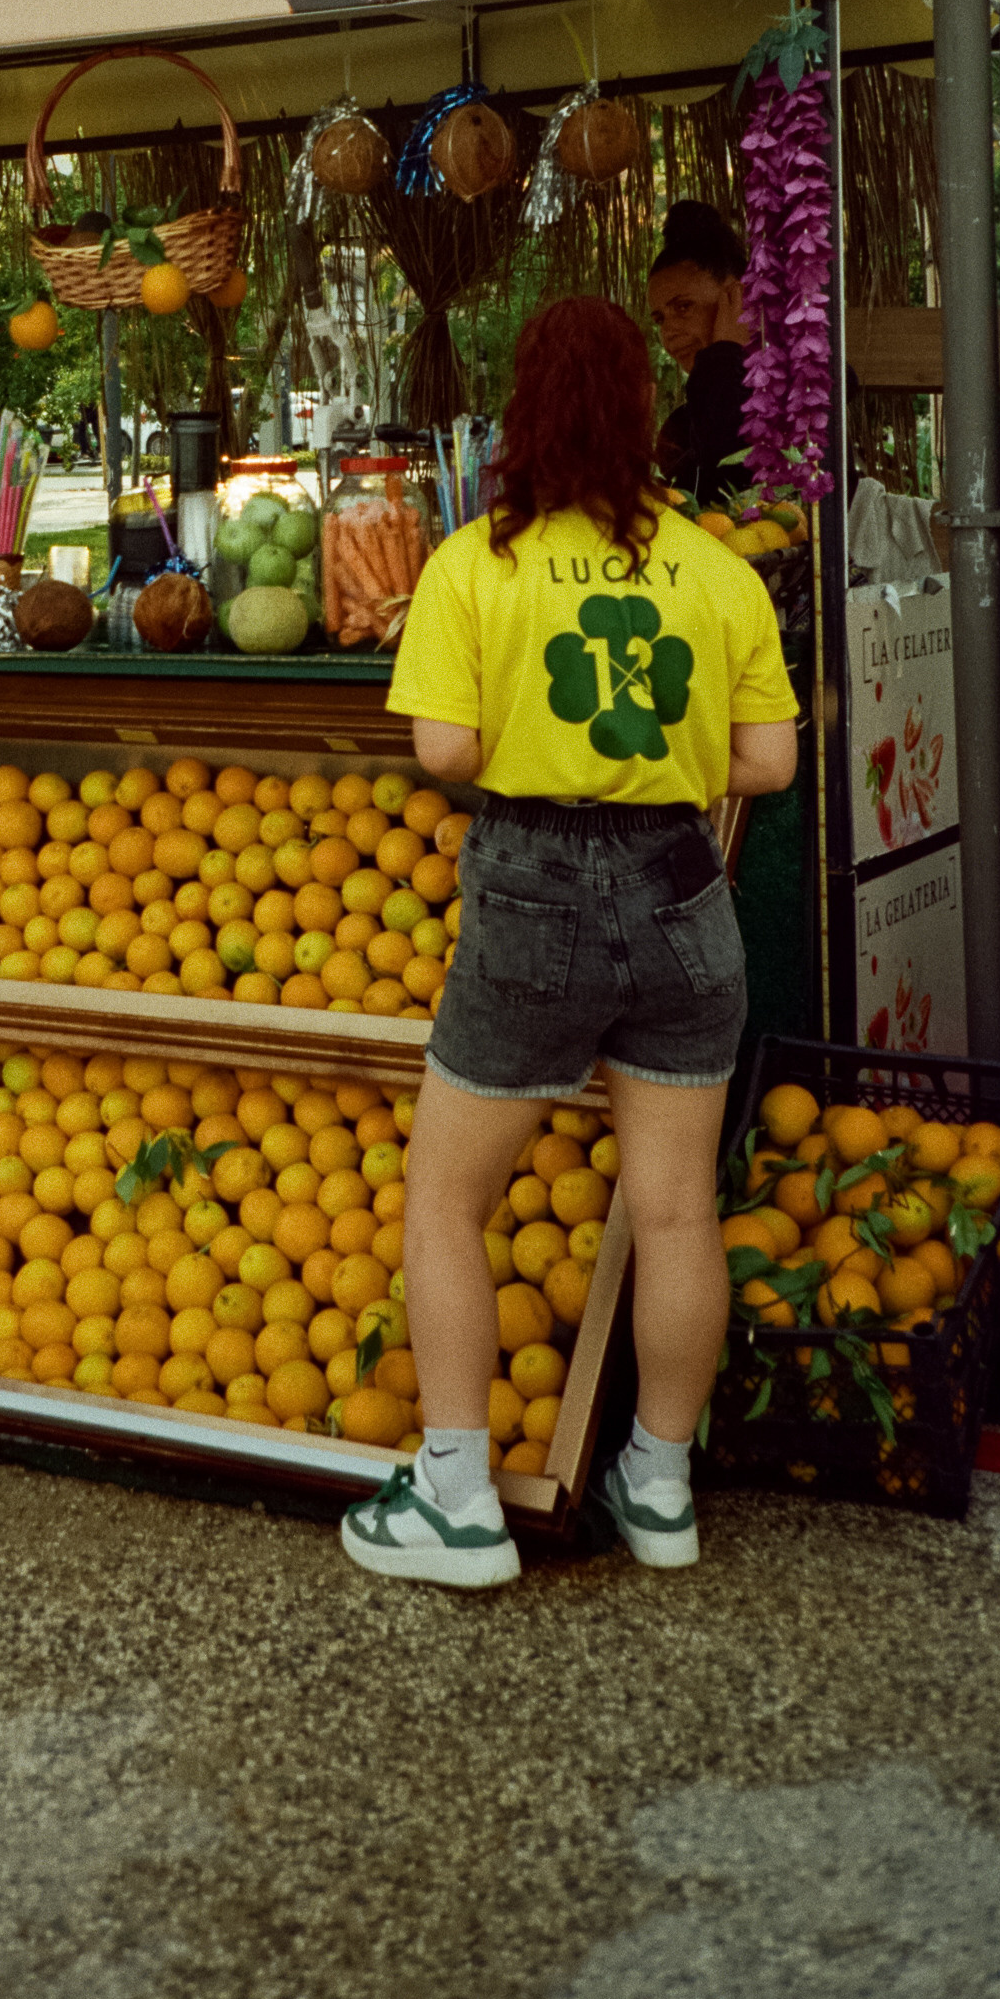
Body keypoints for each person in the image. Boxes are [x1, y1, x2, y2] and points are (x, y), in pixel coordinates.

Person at [341, 296, 800, 1593]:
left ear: (523, 410)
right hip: (677, 888)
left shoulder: (472, 563)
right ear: (640, 411)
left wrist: (545, 751)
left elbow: (437, 746)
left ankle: (455, 1503)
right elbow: (763, 759)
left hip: (530, 893)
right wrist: (650, 752)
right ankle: (656, 1488)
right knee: (671, 1208)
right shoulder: (714, 567)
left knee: (444, 1198)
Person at [647, 200, 752, 509]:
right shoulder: (680, 428)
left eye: (683, 307)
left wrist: (724, 356)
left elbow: (735, 485)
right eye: (660, 319)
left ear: (739, 299)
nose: (669, 332)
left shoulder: (806, 398)